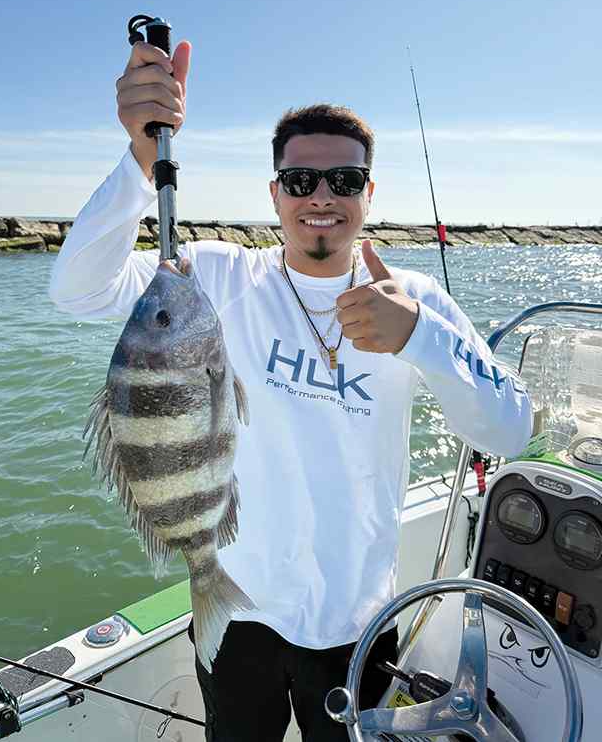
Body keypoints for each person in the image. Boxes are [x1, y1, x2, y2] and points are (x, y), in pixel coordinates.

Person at [49, 38, 533, 741]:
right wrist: (139, 160)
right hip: (237, 610)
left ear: (369, 193)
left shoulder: (414, 300)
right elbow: (77, 291)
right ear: (274, 193)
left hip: (357, 622)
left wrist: (417, 336)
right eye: (300, 181)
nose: (321, 197)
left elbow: (511, 429)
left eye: (344, 180)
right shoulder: (215, 278)